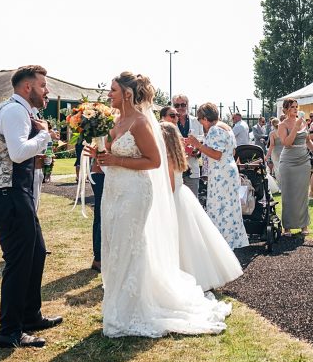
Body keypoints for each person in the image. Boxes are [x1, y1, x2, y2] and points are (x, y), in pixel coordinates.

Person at [87, 73, 231, 338]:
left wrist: (116, 161)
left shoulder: (140, 123)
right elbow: (111, 156)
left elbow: (153, 161)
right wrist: (98, 155)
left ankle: (133, 308)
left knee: (129, 244)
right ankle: (117, 305)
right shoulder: (115, 120)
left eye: (113, 90)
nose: (109, 95)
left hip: (134, 192)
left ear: (128, 94)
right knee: (113, 244)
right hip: (114, 190)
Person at [0, 65, 63, 348]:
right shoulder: (16, 111)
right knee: (19, 263)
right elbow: (17, 153)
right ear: (28, 87)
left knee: (37, 253)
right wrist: (45, 136)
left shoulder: (19, 111)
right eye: (43, 85)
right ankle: (10, 332)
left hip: (15, 194)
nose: (47, 90)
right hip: (7, 196)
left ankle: (31, 315)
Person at [160, 121, 243, 291]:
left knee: (180, 236)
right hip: (184, 195)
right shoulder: (177, 155)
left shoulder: (168, 158)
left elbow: (170, 186)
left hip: (174, 196)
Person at [188, 103, 249, 250]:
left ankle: (222, 244)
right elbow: (232, 152)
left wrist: (198, 145)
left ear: (206, 117)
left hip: (220, 174)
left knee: (219, 207)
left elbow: (216, 154)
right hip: (229, 170)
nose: (201, 123)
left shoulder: (215, 129)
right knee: (230, 207)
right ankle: (232, 241)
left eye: (200, 119)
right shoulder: (226, 127)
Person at [276, 99, 313, 235]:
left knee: (303, 193)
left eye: (296, 107)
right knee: (288, 194)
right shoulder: (282, 125)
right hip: (288, 162)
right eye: (292, 107)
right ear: (286, 109)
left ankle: (304, 225)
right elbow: (287, 143)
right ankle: (287, 226)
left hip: (304, 160)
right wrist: (296, 127)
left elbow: (308, 140)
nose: (295, 109)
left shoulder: (303, 121)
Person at [173, 95, 204, 198]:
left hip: (193, 169)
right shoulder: (169, 122)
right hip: (175, 171)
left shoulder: (196, 121)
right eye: (177, 105)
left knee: (193, 201)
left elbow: (202, 141)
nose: (180, 108)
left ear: (187, 105)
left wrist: (197, 152)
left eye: (183, 104)